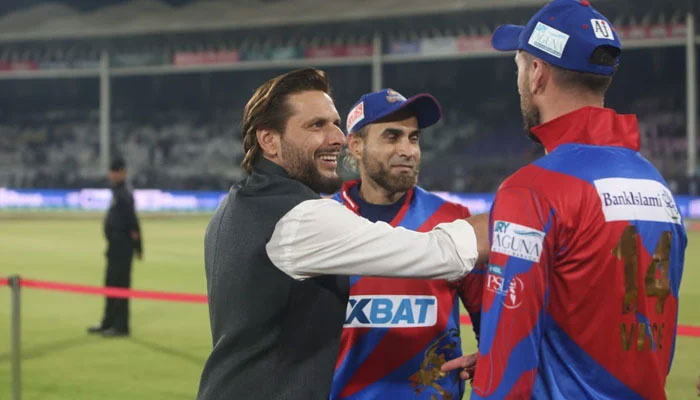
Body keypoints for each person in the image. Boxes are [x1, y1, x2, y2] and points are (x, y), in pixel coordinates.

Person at [441, 1, 687, 398]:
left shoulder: (531, 191)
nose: (518, 79)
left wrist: (498, 369)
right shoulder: (656, 185)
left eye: (519, 66)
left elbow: (507, 370)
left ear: (537, 73)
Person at [197, 68, 489, 400]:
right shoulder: (305, 218)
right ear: (269, 140)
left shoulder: (235, 206)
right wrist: (526, 208)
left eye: (334, 123)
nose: (335, 136)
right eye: (316, 125)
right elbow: (443, 253)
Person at [328, 88, 484, 399]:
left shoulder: (454, 220)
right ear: (355, 145)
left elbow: (492, 318)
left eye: (413, 138)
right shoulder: (324, 222)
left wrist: (492, 355)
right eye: (391, 136)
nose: (408, 150)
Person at [88, 158, 143, 337]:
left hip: (122, 247)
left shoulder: (124, 193)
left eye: (114, 171)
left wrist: (138, 247)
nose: (111, 175)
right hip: (115, 247)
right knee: (111, 284)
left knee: (119, 285)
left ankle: (121, 327)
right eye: (110, 171)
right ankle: (108, 322)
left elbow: (132, 224)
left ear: (122, 173)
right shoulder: (118, 191)